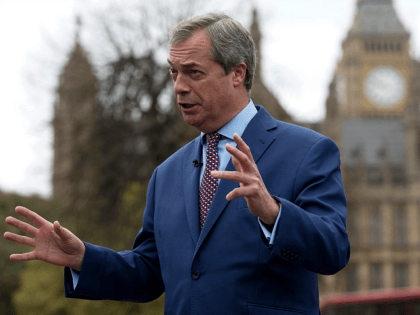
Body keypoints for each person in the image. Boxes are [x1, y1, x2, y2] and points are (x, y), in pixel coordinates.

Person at [4, 12, 350, 315]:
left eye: (193, 72)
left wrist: (274, 213)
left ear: (237, 73)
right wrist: (84, 258)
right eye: (174, 73)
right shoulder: (167, 173)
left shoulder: (308, 151)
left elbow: (333, 250)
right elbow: (149, 274)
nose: (179, 87)